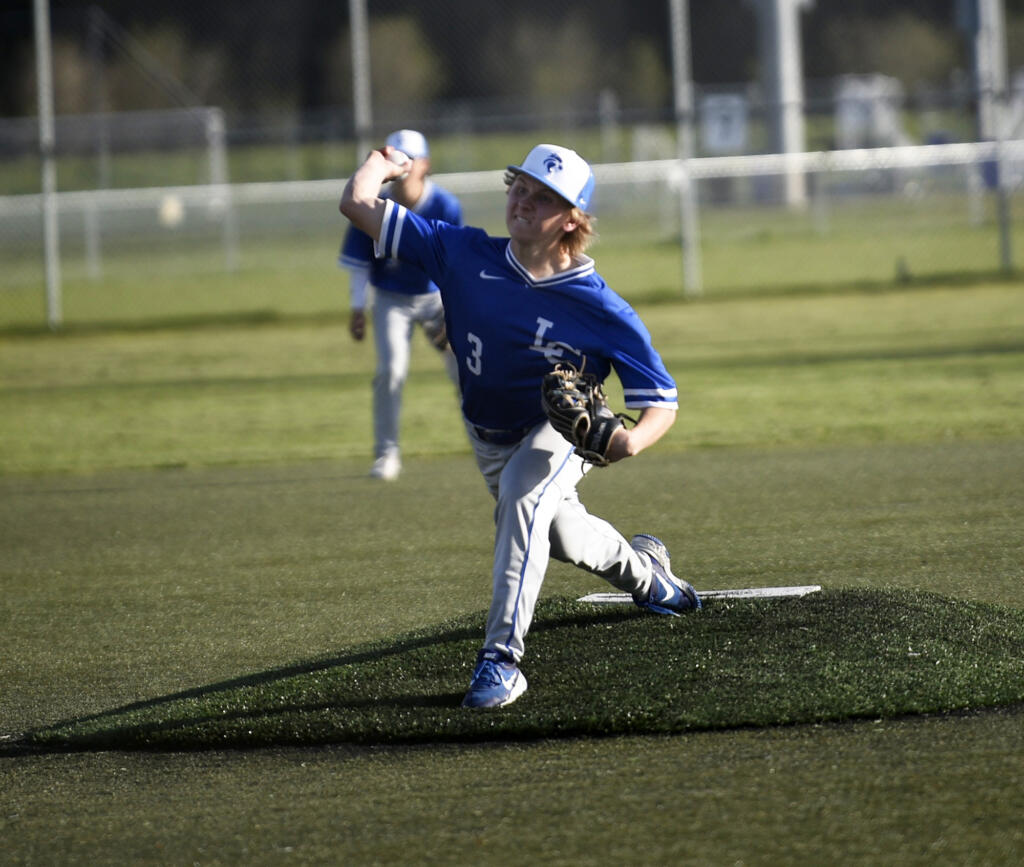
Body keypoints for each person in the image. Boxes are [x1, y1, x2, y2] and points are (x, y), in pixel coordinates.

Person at [340, 141, 701, 709]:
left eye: (544, 198)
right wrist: (382, 165)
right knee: (558, 534)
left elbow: (663, 400)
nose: (524, 202)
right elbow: (357, 204)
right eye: (520, 187)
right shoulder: (460, 252)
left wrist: (630, 440)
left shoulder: (599, 305)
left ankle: (502, 659)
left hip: (552, 432)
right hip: (487, 434)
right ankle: (652, 578)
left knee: (521, 497)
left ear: (572, 220)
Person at [338, 129, 464, 481]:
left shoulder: (445, 205)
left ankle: (484, 438)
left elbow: (455, 266)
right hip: (391, 297)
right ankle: (386, 454)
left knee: (465, 368)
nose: (403, 165)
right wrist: (357, 308)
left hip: (435, 298)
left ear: (424, 164)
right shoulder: (372, 203)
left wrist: (456, 313)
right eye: (396, 157)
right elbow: (360, 262)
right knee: (391, 372)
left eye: (409, 158)